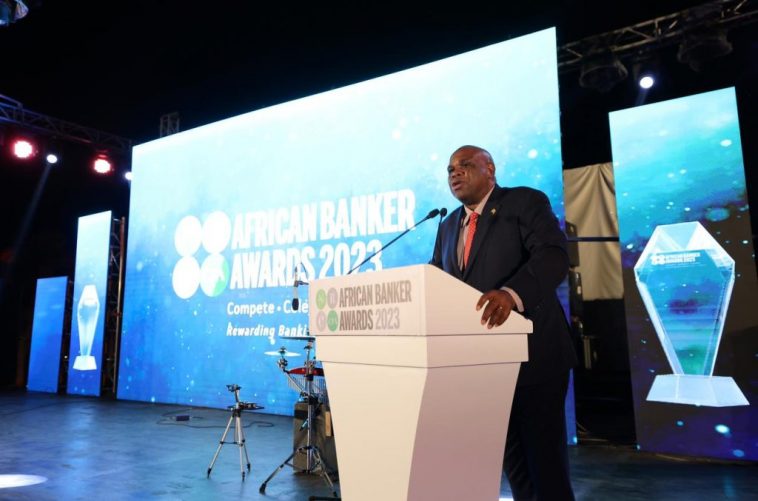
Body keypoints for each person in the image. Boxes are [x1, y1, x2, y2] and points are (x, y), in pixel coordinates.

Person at [430, 145, 577, 500]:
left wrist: (512, 294)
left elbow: (553, 255)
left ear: (490, 169)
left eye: (465, 165)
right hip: (483, 364)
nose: (455, 173)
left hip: (534, 355)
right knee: (515, 466)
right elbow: (437, 279)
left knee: (545, 465)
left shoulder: (523, 202)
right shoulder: (448, 226)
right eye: (450, 169)